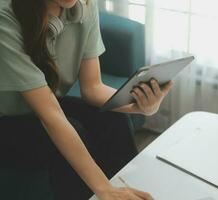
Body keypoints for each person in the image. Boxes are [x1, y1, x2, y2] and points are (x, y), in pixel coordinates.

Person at [0, 0, 173, 199]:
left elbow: (93, 88)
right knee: (74, 133)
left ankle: (133, 193)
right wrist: (103, 188)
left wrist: (142, 107)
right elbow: (50, 115)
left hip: (44, 105)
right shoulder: (6, 17)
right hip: (7, 121)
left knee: (112, 118)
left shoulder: (85, 6)